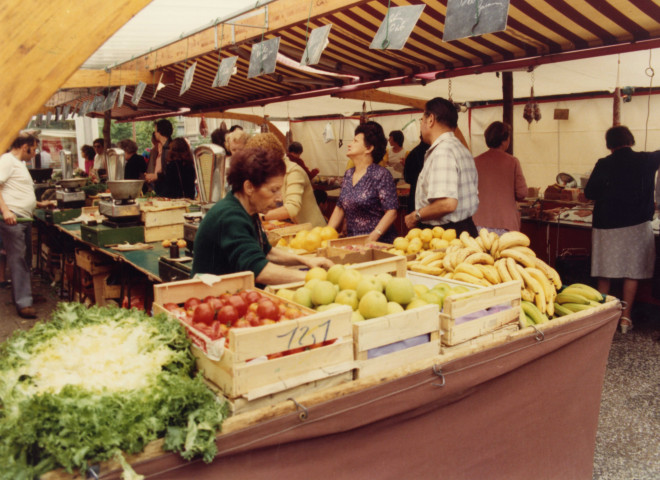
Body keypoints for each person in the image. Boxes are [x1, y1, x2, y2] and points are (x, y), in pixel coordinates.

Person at [192, 146, 333, 285]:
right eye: (273, 190)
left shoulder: (249, 211)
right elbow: (258, 270)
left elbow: (266, 251)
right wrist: (314, 278)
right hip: (212, 298)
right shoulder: (231, 217)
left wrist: (305, 260)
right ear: (249, 187)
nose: (279, 198)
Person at [584, 125, 660, 334]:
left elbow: (589, 192)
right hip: (637, 226)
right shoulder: (647, 160)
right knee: (631, 272)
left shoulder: (604, 163)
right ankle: (625, 319)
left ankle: (601, 319)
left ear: (610, 145)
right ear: (631, 140)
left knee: (605, 272)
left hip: (607, 226)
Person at [404, 97, 479, 237]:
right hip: (465, 229)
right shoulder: (461, 148)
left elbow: (447, 204)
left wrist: (416, 215)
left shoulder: (442, 151)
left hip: (446, 234)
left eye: (422, 120)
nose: (421, 125)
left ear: (430, 119)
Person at [0, 133, 55, 319]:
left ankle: (24, 296)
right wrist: (6, 211)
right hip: (13, 219)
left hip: (24, 218)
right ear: (26, 146)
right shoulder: (7, 160)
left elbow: (17, 190)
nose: (34, 154)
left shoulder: (19, 164)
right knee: (18, 260)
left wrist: (40, 204)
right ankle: (23, 303)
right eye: (34, 149)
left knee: (24, 258)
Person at [327, 121, 399, 243]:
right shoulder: (349, 174)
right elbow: (339, 208)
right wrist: (326, 235)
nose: (349, 145)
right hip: (353, 242)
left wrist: (373, 237)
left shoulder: (380, 174)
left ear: (369, 148)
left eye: (355, 141)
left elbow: (391, 212)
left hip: (378, 244)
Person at [250, 134, 326, 227]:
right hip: (291, 231)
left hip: (312, 233)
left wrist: (259, 216)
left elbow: (292, 208)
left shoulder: (294, 171)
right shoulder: (272, 174)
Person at [472, 121, 528, 234]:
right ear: (505, 140)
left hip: (478, 223)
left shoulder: (475, 161)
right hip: (505, 224)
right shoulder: (513, 162)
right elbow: (522, 193)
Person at [145, 119, 173, 192]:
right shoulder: (164, 148)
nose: (155, 133)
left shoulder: (170, 148)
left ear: (160, 132)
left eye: (156, 131)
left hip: (168, 190)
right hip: (162, 188)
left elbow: (170, 172)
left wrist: (156, 176)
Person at [403, 137, 430, 213]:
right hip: (431, 200)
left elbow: (407, 178)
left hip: (415, 196)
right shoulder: (435, 152)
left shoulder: (413, 153)